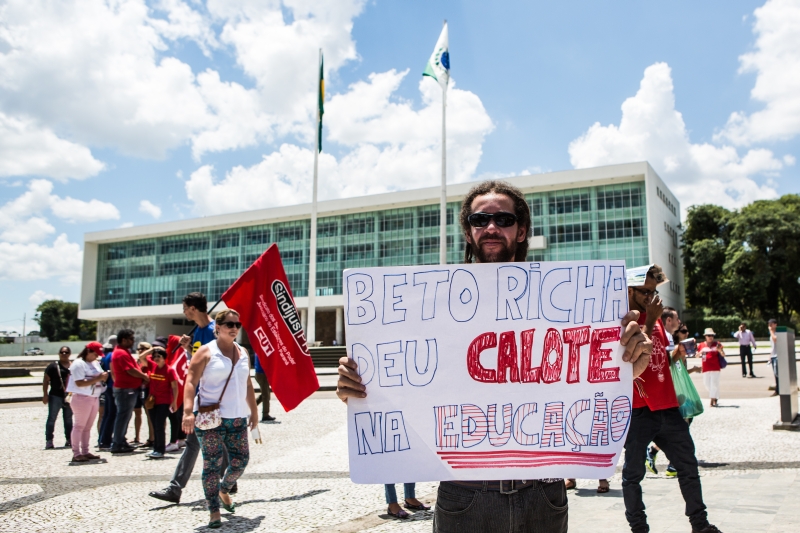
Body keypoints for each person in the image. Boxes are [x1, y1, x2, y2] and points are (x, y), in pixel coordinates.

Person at [336, 180, 653, 533]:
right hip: (465, 498)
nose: (491, 227)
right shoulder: (429, 309)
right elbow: (412, 388)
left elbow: (574, 383)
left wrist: (626, 366)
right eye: (480, 219)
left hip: (543, 496)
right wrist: (360, 387)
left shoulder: (565, 306)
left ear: (521, 231)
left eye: (503, 219)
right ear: (468, 232)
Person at [622, 264, 722, 533]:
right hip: (640, 408)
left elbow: (656, 358)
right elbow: (629, 355)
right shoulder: (626, 318)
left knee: (688, 466)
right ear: (630, 291)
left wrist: (675, 355)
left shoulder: (653, 318)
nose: (651, 298)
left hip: (667, 406)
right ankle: (639, 528)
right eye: (645, 292)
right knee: (632, 475)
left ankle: (700, 525)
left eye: (654, 292)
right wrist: (651, 319)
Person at [150, 292, 233, 504]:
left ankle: (225, 480)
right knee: (195, 442)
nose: (184, 312)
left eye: (185, 308)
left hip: (213, 397)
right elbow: (196, 363)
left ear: (193, 308)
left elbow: (221, 362)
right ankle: (180, 488)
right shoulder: (197, 332)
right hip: (201, 396)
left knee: (203, 441)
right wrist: (188, 348)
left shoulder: (215, 330)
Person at [182, 309, 258, 529]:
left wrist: (253, 412)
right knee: (212, 465)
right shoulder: (206, 352)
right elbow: (190, 382)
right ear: (217, 327)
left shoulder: (243, 352)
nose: (234, 328)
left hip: (236, 417)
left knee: (241, 460)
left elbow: (247, 384)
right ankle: (214, 509)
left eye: (237, 324)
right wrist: (187, 412)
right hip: (210, 418)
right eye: (229, 324)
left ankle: (224, 489)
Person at [67, 342, 109, 462]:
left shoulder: (95, 363)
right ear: (88, 351)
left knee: (87, 427)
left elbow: (99, 376)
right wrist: (98, 378)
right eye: (95, 354)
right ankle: (76, 453)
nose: (96, 357)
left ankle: (85, 451)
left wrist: (103, 376)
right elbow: (79, 382)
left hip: (94, 396)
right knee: (79, 426)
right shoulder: (78, 364)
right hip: (81, 397)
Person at [111, 328, 149, 454]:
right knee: (123, 416)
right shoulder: (121, 353)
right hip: (125, 390)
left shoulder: (122, 351)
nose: (133, 341)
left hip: (127, 389)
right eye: (131, 339)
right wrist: (144, 376)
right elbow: (130, 370)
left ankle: (121, 440)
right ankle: (117, 443)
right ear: (124, 340)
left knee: (124, 416)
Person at [143, 347, 179, 459]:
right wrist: (152, 349)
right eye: (155, 356)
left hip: (164, 401)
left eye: (159, 356)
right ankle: (156, 449)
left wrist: (174, 401)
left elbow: (175, 386)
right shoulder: (153, 367)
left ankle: (160, 450)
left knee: (159, 425)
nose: (156, 358)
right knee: (154, 425)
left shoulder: (169, 370)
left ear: (164, 358)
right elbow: (141, 357)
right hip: (152, 401)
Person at [43, 346, 73, 449]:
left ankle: (69, 439)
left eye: (66, 352)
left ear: (69, 353)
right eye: (62, 352)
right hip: (55, 395)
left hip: (69, 396)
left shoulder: (73, 366)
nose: (64, 354)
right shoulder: (53, 366)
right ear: (59, 353)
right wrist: (45, 395)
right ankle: (49, 440)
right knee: (52, 418)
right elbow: (46, 380)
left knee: (68, 419)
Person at [165, 335, 188, 452]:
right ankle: (181, 437)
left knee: (174, 417)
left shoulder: (176, 358)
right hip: (183, 391)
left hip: (175, 392)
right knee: (178, 415)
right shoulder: (182, 355)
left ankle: (173, 441)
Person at [97, 340, 117, 450]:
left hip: (106, 387)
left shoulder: (104, 357)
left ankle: (102, 439)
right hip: (112, 386)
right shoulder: (111, 356)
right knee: (112, 415)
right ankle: (106, 441)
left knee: (107, 414)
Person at [697, 328, 725, 407]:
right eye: (709, 335)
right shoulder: (701, 345)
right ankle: (715, 395)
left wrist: (720, 350)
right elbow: (696, 355)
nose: (711, 337)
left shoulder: (717, 344)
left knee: (714, 384)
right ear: (705, 336)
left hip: (715, 367)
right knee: (706, 384)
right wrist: (700, 352)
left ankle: (712, 400)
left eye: (712, 335)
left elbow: (723, 355)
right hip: (705, 368)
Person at [134, 341, 153, 445]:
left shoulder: (149, 361)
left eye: (143, 348)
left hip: (147, 389)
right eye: (139, 349)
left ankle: (151, 438)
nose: (140, 351)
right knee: (137, 413)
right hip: (138, 388)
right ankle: (136, 437)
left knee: (148, 414)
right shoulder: (138, 361)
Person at [254, 351, 276, 422]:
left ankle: (250, 407)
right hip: (262, 373)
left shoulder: (259, 349)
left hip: (260, 373)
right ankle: (265, 415)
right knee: (266, 395)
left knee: (264, 394)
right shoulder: (261, 350)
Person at [769, 319, 779, 395]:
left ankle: (778, 390)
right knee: (775, 374)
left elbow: (775, 340)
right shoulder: (771, 334)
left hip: (777, 356)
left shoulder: (778, 333)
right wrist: (770, 355)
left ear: (775, 324)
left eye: (771, 324)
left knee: (778, 374)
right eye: (769, 324)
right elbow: (773, 346)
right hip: (773, 356)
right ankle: (777, 389)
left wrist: (771, 331)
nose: (770, 326)